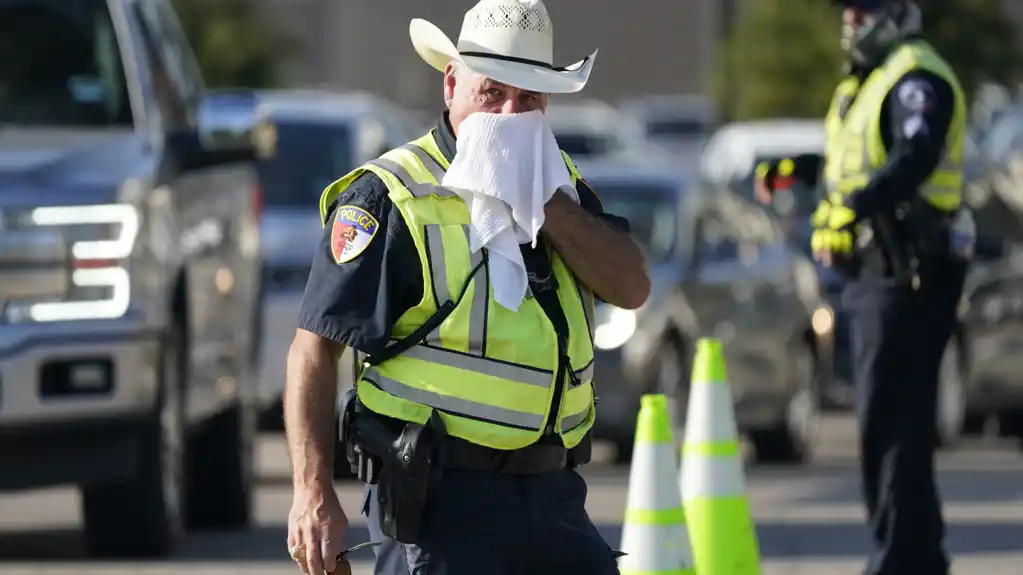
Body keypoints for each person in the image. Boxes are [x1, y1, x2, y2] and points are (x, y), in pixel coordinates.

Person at [283, 1, 651, 574]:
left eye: (527, 100)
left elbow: (631, 286)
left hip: (553, 497)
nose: (508, 114)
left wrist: (544, 204)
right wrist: (312, 494)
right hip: (439, 509)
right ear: (452, 83)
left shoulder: (559, 185)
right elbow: (313, 349)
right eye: (492, 93)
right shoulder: (393, 197)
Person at [755, 1, 970, 574]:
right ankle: (919, 557)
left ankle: (901, 561)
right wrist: (796, 170)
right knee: (892, 422)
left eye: (862, 9)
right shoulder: (871, 83)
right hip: (879, 276)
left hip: (908, 270)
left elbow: (916, 154)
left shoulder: (915, 77)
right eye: (847, 10)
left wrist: (855, 208)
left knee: (892, 423)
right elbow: (849, 165)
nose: (851, 20)